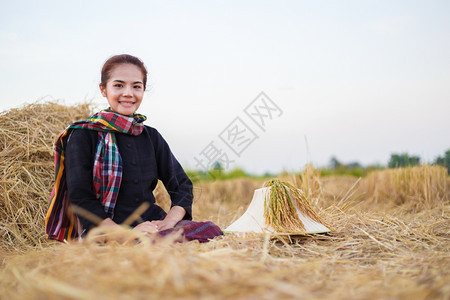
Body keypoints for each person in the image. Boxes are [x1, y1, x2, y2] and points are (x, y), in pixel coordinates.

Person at [45, 54, 222, 243]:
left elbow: (182, 186)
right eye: (119, 85)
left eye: (136, 86)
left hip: (153, 226)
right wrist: (125, 234)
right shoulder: (84, 134)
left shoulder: (151, 136)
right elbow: (81, 198)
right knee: (148, 243)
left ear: (144, 90)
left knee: (211, 230)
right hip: (106, 231)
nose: (128, 93)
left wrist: (168, 222)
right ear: (103, 89)